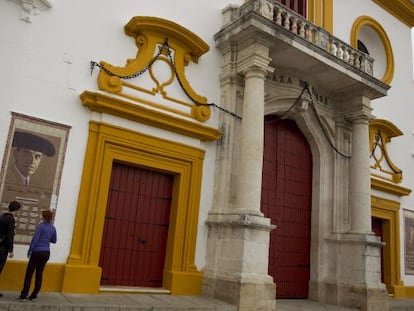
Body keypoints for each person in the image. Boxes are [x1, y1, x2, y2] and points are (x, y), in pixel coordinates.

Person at [17, 210, 57, 302]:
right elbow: (54, 240)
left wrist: (30, 250)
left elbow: (35, 239)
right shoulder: (52, 228)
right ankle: (34, 295)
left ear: (43, 217)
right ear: (51, 217)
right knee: (39, 274)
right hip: (46, 252)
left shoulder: (40, 227)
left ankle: (24, 295)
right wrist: (47, 238)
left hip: (37, 251)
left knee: (29, 273)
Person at [0, 201, 22, 298]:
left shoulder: (2, 217)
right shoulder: (11, 219)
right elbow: (9, 235)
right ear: (16, 210)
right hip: (3, 247)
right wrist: (11, 249)